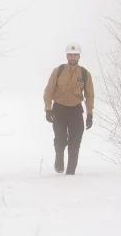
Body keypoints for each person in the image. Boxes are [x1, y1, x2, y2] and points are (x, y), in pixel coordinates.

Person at [43, 43, 95, 175]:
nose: (73, 57)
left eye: (75, 55)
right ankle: (59, 158)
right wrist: (48, 109)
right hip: (59, 110)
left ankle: (71, 173)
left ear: (79, 57)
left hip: (75, 111)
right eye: (70, 55)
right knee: (60, 139)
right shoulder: (58, 71)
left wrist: (90, 114)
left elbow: (90, 95)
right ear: (67, 56)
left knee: (75, 141)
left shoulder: (84, 74)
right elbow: (48, 90)